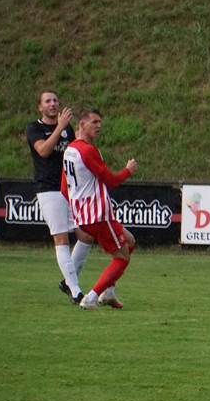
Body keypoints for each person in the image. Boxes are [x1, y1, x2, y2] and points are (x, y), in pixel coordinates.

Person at [62, 107, 138, 310]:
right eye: (94, 122)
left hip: (85, 216)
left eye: (100, 122)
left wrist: (77, 211)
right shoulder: (88, 151)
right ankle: (91, 297)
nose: (99, 126)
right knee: (121, 258)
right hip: (98, 215)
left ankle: (109, 291)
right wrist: (128, 170)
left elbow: (64, 188)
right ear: (82, 124)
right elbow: (111, 181)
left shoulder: (70, 150)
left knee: (130, 241)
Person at [26, 91, 93, 304]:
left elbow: (73, 155)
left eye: (55, 100)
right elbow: (43, 151)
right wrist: (60, 127)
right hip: (49, 190)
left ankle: (67, 282)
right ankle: (76, 292)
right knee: (61, 238)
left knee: (87, 236)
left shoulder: (67, 129)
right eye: (48, 101)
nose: (53, 104)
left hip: (69, 190)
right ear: (40, 107)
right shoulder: (34, 128)